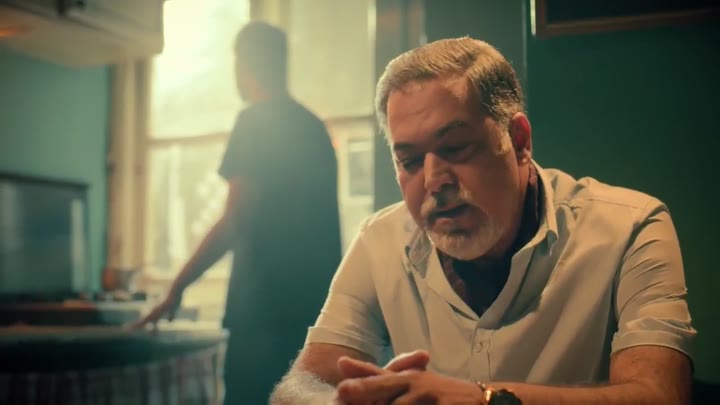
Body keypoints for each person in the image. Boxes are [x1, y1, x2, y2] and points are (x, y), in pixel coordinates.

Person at [269, 36, 696, 404]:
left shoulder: (630, 228)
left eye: (456, 148)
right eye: (410, 161)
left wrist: (483, 399)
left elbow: (660, 396)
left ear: (518, 140)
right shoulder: (380, 239)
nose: (433, 181)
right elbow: (299, 386)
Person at [137, 21, 342, 404]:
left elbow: (235, 219)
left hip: (263, 315)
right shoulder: (314, 129)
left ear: (243, 63)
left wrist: (177, 287)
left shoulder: (255, 122)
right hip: (314, 317)